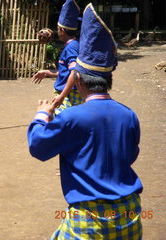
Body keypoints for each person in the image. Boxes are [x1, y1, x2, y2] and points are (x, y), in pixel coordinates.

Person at [27, 3, 143, 239]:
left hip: (90, 218)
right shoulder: (129, 115)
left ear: (78, 79)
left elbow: (38, 147)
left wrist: (42, 115)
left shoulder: (72, 116)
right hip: (130, 215)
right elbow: (129, 155)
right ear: (108, 78)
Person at [31, 0, 83, 115]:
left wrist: (62, 96)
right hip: (67, 94)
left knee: (59, 126)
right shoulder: (72, 45)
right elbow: (67, 73)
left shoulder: (71, 48)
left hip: (70, 96)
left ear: (62, 31)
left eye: (58, 28)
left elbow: (75, 72)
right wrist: (48, 72)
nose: (57, 31)